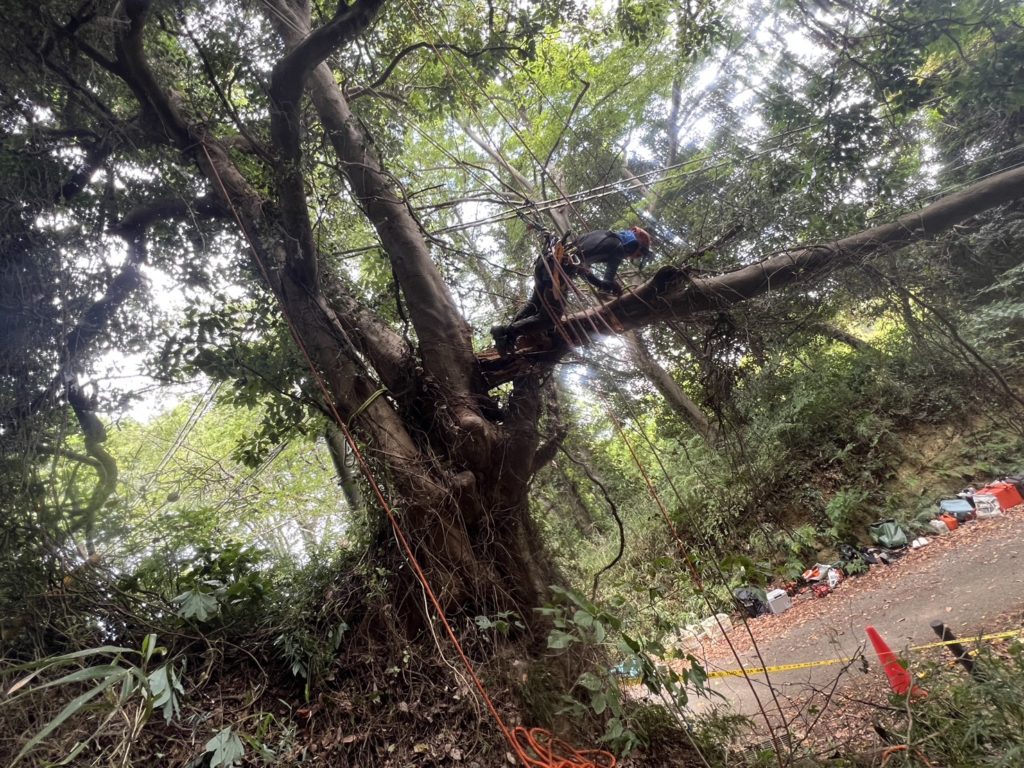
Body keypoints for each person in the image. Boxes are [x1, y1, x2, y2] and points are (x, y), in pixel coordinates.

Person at [491, 227, 651, 354]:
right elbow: (606, 281)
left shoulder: (602, 234)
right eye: (637, 254)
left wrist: (598, 282)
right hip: (558, 272)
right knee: (548, 319)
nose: (632, 257)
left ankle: (505, 338)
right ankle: (508, 332)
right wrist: (613, 287)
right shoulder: (618, 248)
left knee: (533, 305)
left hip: (546, 263)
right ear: (635, 246)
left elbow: (581, 267)